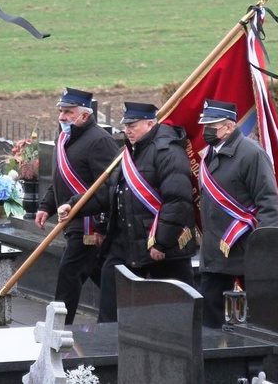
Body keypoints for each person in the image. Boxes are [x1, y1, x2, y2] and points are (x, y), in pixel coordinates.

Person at [58, 102, 196, 323]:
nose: (128, 130)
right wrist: (74, 206)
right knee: (110, 305)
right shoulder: (126, 154)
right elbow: (107, 191)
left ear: (150, 123)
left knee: (178, 312)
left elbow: (177, 201)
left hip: (162, 248)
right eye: (126, 126)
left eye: (133, 125)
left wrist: (161, 241)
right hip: (126, 243)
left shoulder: (169, 152)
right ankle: (108, 352)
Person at [34, 88, 118, 325]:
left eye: (68, 112)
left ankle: (59, 328)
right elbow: (59, 181)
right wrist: (46, 207)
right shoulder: (63, 139)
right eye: (61, 111)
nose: (62, 117)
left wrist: (102, 226)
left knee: (69, 276)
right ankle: (131, 315)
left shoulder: (100, 141)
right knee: (100, 274)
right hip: (72, 221)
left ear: (84, 115)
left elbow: (108, 188)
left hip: (89, 226)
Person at [196, 99, 278, 328]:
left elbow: (269, 203)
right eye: (206, 126)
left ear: (230, 127)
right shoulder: (210, 154)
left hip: (244, 250)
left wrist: (261, 247)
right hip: (215, 253)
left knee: (259, 319)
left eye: (212, 126)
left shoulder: (252, 154)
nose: (207, 131)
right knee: (209, 321)